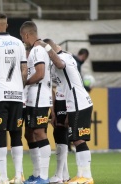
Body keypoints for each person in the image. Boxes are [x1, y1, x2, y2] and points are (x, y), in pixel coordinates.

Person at [37, 38, 94, 184]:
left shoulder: (62, 58)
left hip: (79, 102)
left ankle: (86, 177)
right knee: (75, 138)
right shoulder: (67, 55)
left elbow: (59, 64)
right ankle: (81, 175)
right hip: (74, 103)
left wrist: (46, 47)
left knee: (79, 139)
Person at [0, 12, 28, 184]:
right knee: (16, 135)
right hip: (16, 96)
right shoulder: (19, 44)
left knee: (0, 135)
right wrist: (19, 88)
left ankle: (2, 177)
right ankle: (18, 176)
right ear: (7, 25)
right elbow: (25, 71)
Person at [19, 21, 52, 184]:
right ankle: (37, 173)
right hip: (34, 97)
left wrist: (24, 83)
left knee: (39, 132)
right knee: (30, 133)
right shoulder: (37, 49)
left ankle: (44, 177)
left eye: (22, 37)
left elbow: (40, 74)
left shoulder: (37, 50)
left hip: (39, 95)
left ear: (26, 35)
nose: (23, 40)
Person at [46, 40, 70, 183]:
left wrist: (68, 109)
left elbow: (71, 85)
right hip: (59, 100)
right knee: (58, 133)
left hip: (69, 99)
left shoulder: (65, 59)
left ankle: (60, 175)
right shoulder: (48, 64)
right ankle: (64, 174)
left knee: (62, 132)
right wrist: (53, 111)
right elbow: (52, 88)